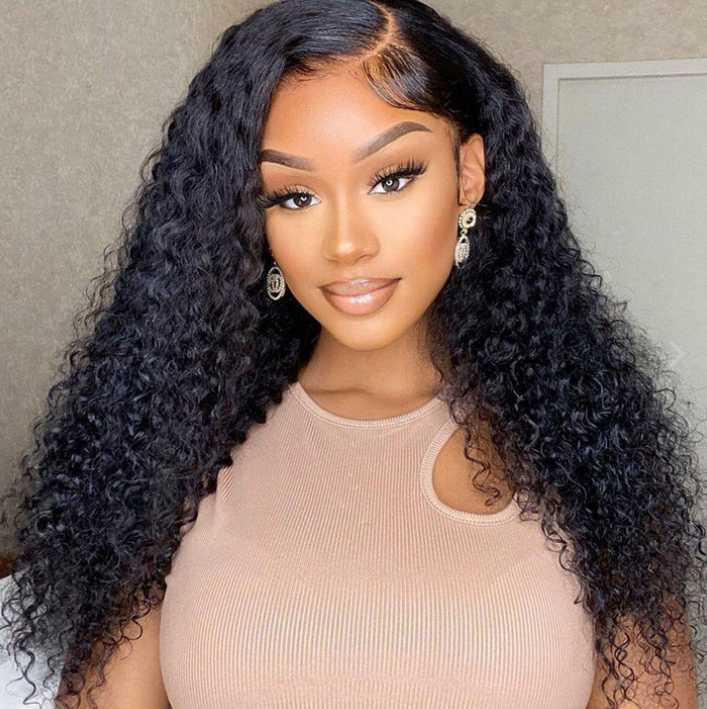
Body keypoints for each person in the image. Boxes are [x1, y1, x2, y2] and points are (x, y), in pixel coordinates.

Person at [0, 0, 704, 706]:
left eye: (391, 178)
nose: (345, 243)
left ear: (468, 173)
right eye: (293, 196)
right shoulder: (173, 448)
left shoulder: (587, 451)